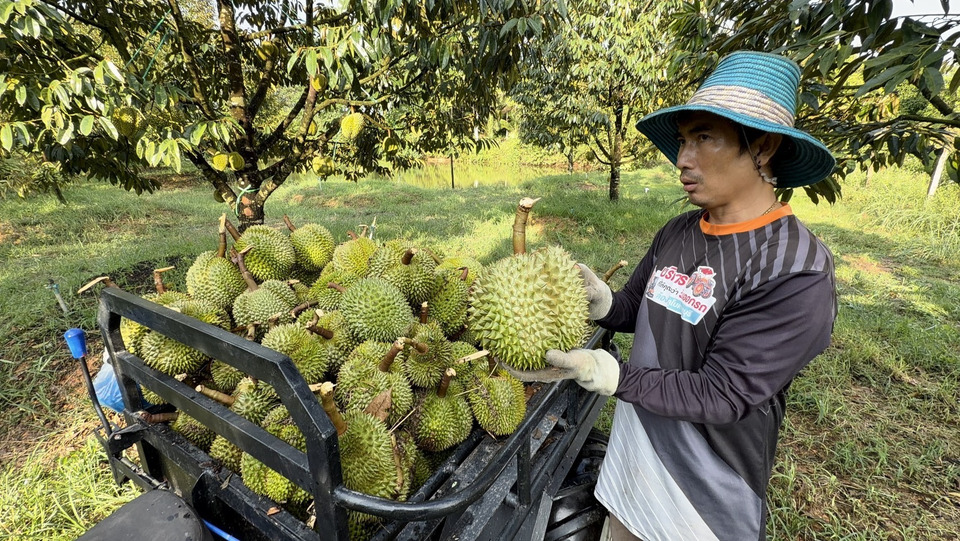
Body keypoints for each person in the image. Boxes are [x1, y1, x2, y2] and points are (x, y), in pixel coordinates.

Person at [515, 51, 838, 540]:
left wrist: (613, 374)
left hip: (699, 503)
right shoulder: (681, 230)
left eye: (704, 137)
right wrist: (605, 303)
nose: (683, 159)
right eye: (684, 140)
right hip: (631, 467)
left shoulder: (794, 269)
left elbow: (724, 394)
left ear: (764, 146)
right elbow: (639, 309)